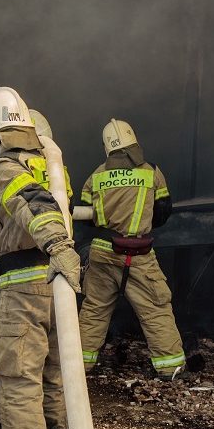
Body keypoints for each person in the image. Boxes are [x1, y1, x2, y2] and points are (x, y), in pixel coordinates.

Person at [0, 87, 81, 429]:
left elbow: (32, 202)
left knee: (17, 378)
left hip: (25, 285)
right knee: (50, 369)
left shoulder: (7, 166)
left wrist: (58, 245)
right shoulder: (50, 164)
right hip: (56, 286)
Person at [78, 119, 186, 381]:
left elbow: (86, 218)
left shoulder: (96, 176)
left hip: (102, 251)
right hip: (138, 254)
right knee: (155, 307)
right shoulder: (152, 172)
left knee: (94, 309)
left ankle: (79, 366)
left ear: (107, 147)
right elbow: (163, 212)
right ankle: (170, 368)